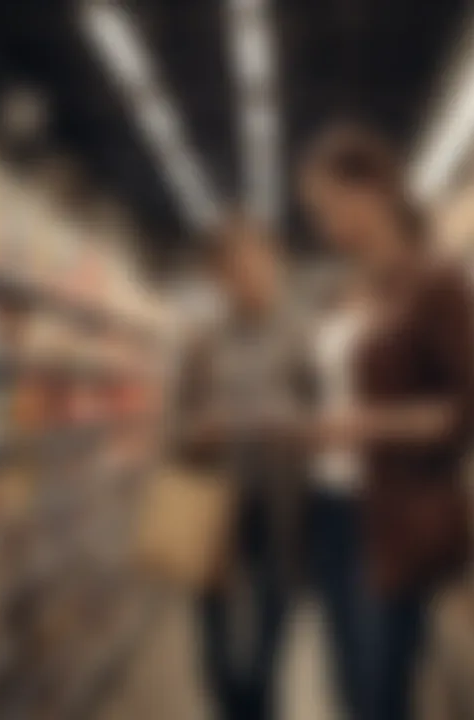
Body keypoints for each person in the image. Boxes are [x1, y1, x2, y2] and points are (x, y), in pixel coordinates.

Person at [298, 123, 474, 720]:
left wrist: (367, 424)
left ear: (373, 190)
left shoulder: (437, 280)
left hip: (390, 516)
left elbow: (465, 412)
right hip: (329, 510)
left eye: (328, 206)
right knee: (349, 688)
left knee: (382, 695)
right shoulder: (341, 292)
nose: (323, 225)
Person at [179, 213, 308, 720]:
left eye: (261, 261)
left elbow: (323, 413)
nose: (253, 274)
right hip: (213, 511)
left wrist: (293, 425)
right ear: (218, 277)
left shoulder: (300, 336)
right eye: (237, 266)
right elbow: (174, 427)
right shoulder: (201, 343)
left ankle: (259, 706)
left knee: (267, 658)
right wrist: (200, 431)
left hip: (279, 510)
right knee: (216, 655)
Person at [308, 274, 369, 719]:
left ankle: (346, 692)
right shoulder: (374, 330)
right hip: (370, 488)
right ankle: (361, 694)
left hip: (326, 485)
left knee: (337, 604)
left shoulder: (320, 338)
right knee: (367, 603)